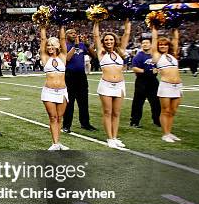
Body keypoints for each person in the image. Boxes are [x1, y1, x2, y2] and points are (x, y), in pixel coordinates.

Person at [93, 19, 131, 148]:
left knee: (116, 113)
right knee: (107, 112)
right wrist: (96, 21)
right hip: (106, 85)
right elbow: (96, 35)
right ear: (103, 42)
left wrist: (127, 20)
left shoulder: (120, 51)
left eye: (111, 39)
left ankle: (115, 137)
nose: (109, 42)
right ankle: (109, 138)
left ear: (115, 41)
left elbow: (126, 33)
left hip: (120, 85)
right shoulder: (101, 52)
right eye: (106, 40)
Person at [39, 25, 69, 150]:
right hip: (49, 92)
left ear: (58, 46)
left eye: (53, 45)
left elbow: (63, 38)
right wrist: (42, 25)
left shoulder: (63, 56)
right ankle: (54, 143)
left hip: (62, 91)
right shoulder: (45, 58)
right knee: (53, 117)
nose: (50, 47)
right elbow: (42, 39)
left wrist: (61, 24)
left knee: (60, 117)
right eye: (48, 45)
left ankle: (58, 142)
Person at [151, 25, 183, 142]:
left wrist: (175, 26)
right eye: (161, 45)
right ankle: (165, 134)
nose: (163, 46)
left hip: (178, 86)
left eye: (165, 44)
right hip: (166, 86)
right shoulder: (157, 56)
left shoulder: (173, 55)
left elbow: (176, 40)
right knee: (166, 110)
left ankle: (170, 132)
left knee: (173, 111)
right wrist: (154, 27)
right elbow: (154, 41)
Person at [62, 29, 97, 133]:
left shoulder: (82, 45)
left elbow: (94, 55)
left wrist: (87, 44)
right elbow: (66, 59)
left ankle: (85, 123)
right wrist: (75, 46)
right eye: (71, 33)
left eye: (75, 33)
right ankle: (66, 125)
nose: (74, 34)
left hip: (81, 76)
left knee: (83, 101)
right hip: (69, 76)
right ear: (66, 35)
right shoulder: (64, 45)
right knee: (70, 102)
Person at [129, 38, 161, 128]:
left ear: (151, 44)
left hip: (153, 82)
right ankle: (134, 122)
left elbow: (159, 66)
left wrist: (157, 70)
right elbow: (134, 68)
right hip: (142, 81)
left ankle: (157, 120)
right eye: (143, 43)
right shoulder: (138, 56)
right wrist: (147, 71)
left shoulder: (154, 55)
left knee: (156, 102)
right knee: (138, 103)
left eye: (147, 43)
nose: (145, 44)